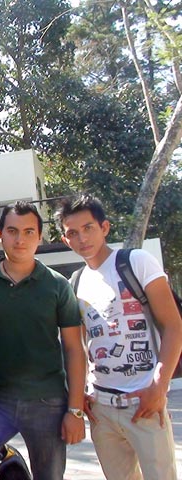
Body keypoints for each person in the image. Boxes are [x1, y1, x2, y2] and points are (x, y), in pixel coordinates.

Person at [0, 201, 87, 480]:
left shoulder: (57, 285)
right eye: (12, 231)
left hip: (47, 401)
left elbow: (74, 348)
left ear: (39, 237)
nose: (20, 239)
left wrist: (75, 410)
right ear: (0, 235)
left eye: (28, 232)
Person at [57, 194, 181, 480]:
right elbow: (80, 346)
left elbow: (173, 325)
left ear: (105, 227)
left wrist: (159, 387)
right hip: (101, 407)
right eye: (72, 233)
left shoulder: (136, 262)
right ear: (65, 240)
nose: (82, 238)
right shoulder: (75, 282)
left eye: (88, 228)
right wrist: (80, 393)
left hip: (144, 402)